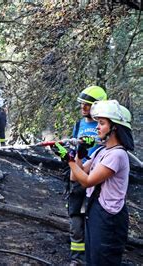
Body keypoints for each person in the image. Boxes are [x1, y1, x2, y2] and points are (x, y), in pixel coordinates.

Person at [52, 100, 133, 265]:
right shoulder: (101, 151)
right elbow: (75, 177)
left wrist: (68, 159)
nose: (97, 127)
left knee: (102, 261)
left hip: (110, 218)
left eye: (102, 123)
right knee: (92, 258)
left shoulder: (117, 155)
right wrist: (78, 155)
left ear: (114, 128)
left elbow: (87, 181)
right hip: (95, 211)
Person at [67, 85, 107, 265]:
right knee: (75, 216)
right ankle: (77, 258)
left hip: (97, 180)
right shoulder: (79, 124)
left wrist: (94, 141)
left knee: (94, 218)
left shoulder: (105, 125)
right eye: (82, 104)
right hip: (78, 177)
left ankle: (93, 256)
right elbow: (74, 148)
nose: (83, 108)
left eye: (87, 105)